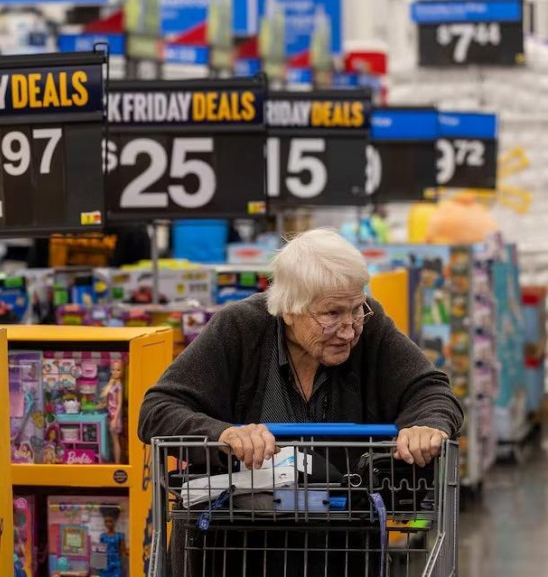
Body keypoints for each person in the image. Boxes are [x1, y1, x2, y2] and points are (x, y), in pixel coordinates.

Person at [138, 228, 464, 572]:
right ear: (289, 309)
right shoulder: (239, 328)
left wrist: (425, 425)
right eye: (332, 314)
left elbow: (432, 390)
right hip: (232, 550)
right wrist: (223, 435)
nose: (349, 329)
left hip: (340, 551)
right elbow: (157, 410)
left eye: (356, 309)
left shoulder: (372, 327)